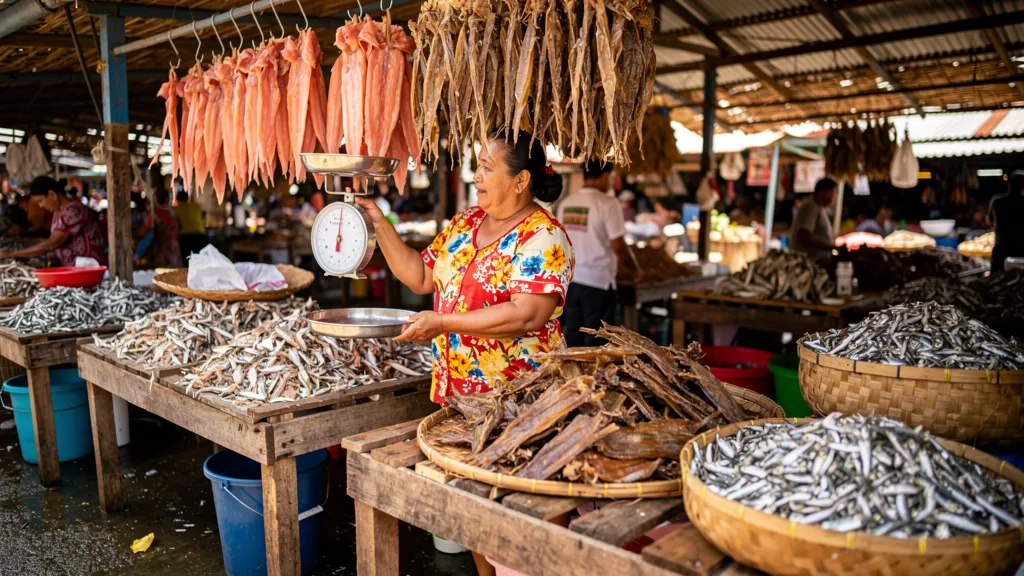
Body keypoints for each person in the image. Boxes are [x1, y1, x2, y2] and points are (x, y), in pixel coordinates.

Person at [556, 160, 641, 347]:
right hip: (598, 281)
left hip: (572, 280)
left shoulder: (567, 203)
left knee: (572, 335)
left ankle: (571, 376)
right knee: (597, 340)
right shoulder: (608, 203)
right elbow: (618, 245)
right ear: (604, 176)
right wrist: (634, 268)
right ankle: (593, 377)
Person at [0, 176, 107, 265]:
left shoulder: (73, 210)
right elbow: (51, 240)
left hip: (89, 267)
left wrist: (11, 253)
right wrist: (21, 241)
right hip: (74, 267)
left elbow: (52, 244)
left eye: (41, 201)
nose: (41, 205)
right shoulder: (58, 212)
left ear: (52, 195)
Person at [791, 177, 837, 261]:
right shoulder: (811, 207)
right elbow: (803, 235)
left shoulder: (818, 208)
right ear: (824, 192)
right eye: (833, 193)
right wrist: (831, 247)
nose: (833, 198)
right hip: (810, 262)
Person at [987, 171, 1024, 273]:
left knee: (995, 281)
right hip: (1020, 250)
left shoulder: (997, 202)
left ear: (1009, 185)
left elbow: (989, 221)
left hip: (1001, 248)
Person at [175, 190, 207, 261]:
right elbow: (203, 215)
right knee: (200, 259)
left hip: (186, 237)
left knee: (187, 260)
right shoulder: (196, 205)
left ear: (177, 199)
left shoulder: (178, 208)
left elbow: (177, 223)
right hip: (200, 235)